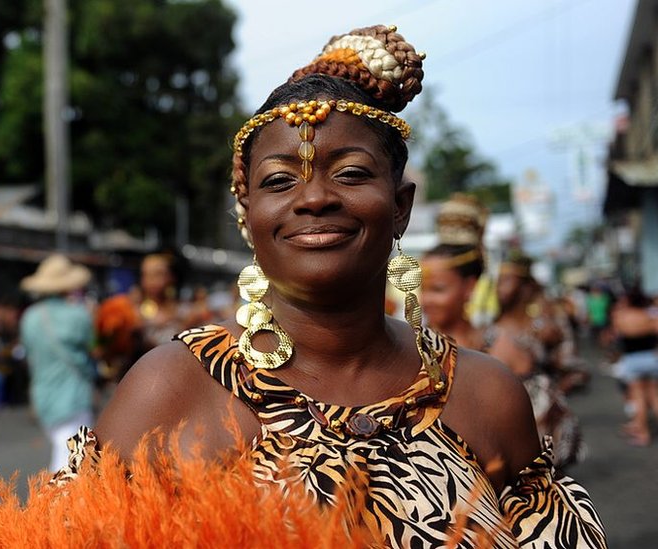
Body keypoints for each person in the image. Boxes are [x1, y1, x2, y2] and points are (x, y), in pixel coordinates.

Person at [58, 25, 604, 546]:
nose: (314, 198)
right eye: (278, 180)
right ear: (248, 214)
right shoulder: (173, 389)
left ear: (401, 208)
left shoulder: (486, 395)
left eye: (351, 173)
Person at [487, 252, 584, 469]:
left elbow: (572, 366)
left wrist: (548, 396)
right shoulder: (488, 327)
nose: (499, 288)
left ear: (526, 286)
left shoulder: (545, 323)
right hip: (503, 425)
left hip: (543, 427)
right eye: (498, 281)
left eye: (507, 281)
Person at [18, 254, 97, 472]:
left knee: (68, 450)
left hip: (43, 393)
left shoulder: (29, 317)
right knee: (74, 459)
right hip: (74, 392)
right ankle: (60, 503)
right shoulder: (78, 315)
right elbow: (93, 348)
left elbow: (30, 357)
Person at [420, 193, 488, 350]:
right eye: (423, 289)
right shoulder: (407, 347)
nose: (425, 300)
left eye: (438, 289)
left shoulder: (493, 347)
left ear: (470, 287)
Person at [610, 286, 658, 446]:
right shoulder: (650, 316)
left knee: (638, 397)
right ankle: (638, 426)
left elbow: (616, 335)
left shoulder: (622, 316)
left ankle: (643, 433)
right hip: (651, 358)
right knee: (654, 395)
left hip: (632, 360)